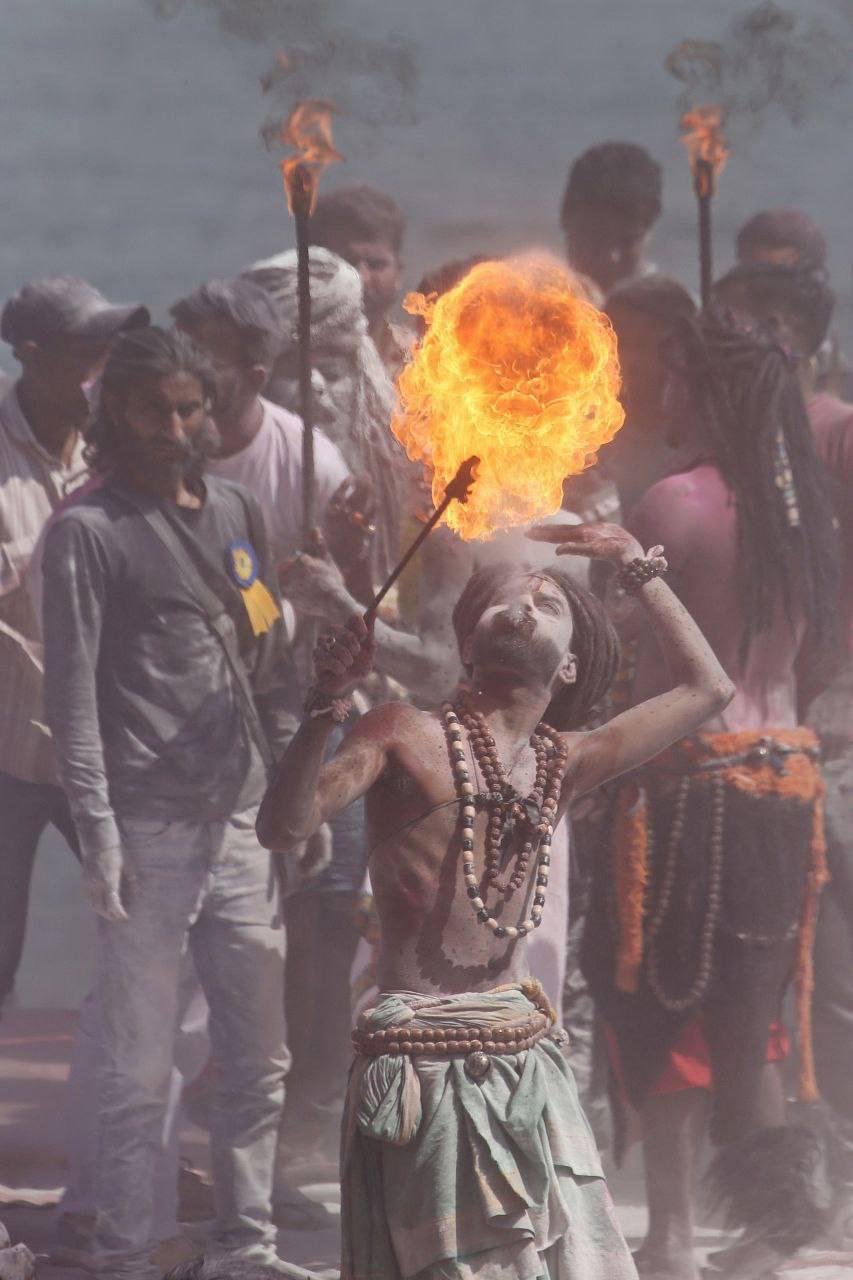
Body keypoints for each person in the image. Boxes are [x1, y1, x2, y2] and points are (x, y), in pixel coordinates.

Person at [256, 519, 734, 1280]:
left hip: (525, 1061)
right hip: (421, 1066)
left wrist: (634, 565)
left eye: (548, 606)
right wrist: (324, 704)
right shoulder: (401, 731)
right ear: (467, 644)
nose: (527, 603)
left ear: (571, 666)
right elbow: (282, 827)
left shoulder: (565, 762)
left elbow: (709, 688)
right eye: (508, 598)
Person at [584, 277, 841, 1280]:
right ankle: (775, 1224)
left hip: (687, 789)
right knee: (749, 1014)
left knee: (659, 999)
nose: (664, 392)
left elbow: (627, 661)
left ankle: (683, 1232)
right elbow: (821, 657)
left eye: (678, 376)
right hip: (787, 784)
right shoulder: (804, 516)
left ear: (711, 392)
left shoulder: (672, 502)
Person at [40, 327, 295, 1279]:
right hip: (145, 828)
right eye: (155, 409)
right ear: (117, 413)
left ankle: (246, 1245)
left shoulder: (236, 509)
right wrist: (99, 836)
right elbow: (70, 701)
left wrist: (308, 619)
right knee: (140, 1066)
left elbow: (264, 645)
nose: (174, 427)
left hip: (242, 819)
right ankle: (125, 1249)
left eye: (190, 409)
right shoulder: (86, 532)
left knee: (258, 1060)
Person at [172, 273, 371, 1196]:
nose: (194, 376)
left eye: (211, 353)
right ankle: (183, 1128)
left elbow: (345, 602)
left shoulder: (307, 459)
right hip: (190, 721)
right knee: (191, 937)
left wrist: (318, 586)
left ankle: (309, 1123)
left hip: (302, 712)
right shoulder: (159, 440)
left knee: (323, 926)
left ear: (257, 369)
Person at [0, 275, 148, 1013]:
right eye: (84, 349)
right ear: (29, 354)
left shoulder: (123, 451)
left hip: (102, 750)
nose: (102, 365)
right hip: (5, 754)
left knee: (148, 925)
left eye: (108, 348)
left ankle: (123, 1108)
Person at [244, 246, 408, 591]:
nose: (315, 387)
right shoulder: (223, 480)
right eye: (291, 370)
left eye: (331, 369)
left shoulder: (410, 469)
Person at [309, 184, 414, 379]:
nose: (361, 279)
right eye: (346, 263)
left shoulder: (422, 359)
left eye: (375, 265)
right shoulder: (288, 360)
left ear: (398, 273)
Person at [559, 142, 662, 298]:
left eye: (627, 241)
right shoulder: (528, 311)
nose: (611, 257)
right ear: (565, 219)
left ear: (649, 233)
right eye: (597, 238)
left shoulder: (677, 316)